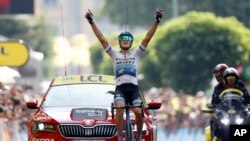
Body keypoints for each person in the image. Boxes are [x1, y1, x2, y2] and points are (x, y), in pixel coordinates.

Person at [85, 8, 163, 141]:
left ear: (131, 42)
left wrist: (157, 21)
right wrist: (91, 21)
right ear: (120, 42)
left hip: (133, 89)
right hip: (120, 89)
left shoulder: (136, 53)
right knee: (119, 108)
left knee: (138, 111)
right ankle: (120, 137)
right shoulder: (114, 54)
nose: (125, 40)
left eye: (128, 39)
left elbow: (147, 37)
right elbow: (101, 39)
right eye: (123, 39)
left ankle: (138, 136)